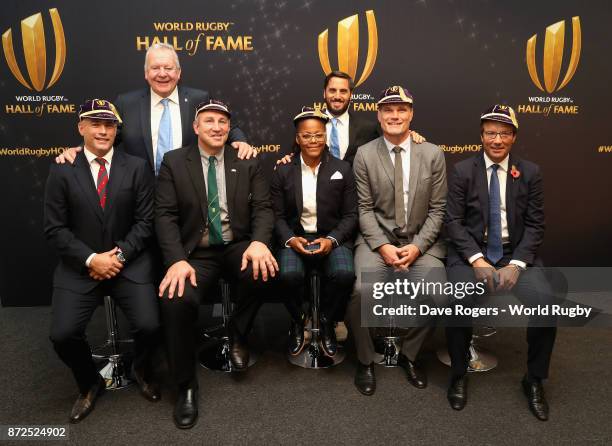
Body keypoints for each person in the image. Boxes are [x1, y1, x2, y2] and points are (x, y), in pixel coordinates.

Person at [155, 99, 277, 429]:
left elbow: (264, 209)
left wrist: (258, 243)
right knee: (175, 300)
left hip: (237, 244)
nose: (217, 127)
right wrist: (177, 260)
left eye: (223, 121)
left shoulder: (246, 160)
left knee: (264, 272)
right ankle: (186, 387)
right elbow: (164, 216)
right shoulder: (174, 162)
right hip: (197, 253)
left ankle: (237, 333)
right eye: (209, 121)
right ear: (195, 127)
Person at [44, 99, 160, 423]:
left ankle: (140, 367)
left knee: (152, 325)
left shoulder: (136, 167)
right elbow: (54, 229)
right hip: (80, 267)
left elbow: (145, 224)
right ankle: (89, 382)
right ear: (81, 128)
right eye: (95, 124)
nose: (103, 130)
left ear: (116, 130)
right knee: (63, 335)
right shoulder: (62, 168)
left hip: (128, 262)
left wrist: (117, 257)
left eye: (109, 125)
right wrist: (92, 259)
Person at [444, 105, 555, 421]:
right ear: (481, 136)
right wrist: (477, 260)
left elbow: (536, 225)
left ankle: (534, 379)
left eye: (504, 133)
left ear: (514, 137)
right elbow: (453, 222)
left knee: (547, 305)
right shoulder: (463, 170)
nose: (497, 139)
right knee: (458, 300)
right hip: (471, 252)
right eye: (490, 133)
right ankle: (458, 373)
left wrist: (517, 263)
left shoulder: (530, 172)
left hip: (513, 253)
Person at [347, 86, 447, 396]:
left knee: (440, 294)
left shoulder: (433, 153)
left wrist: (417, 247)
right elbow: (363, 210)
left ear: (411, 114)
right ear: (379, 115)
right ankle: (365, 361)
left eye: (401, 109)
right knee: (362, 291)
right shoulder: (365, 154)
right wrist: (384, 247)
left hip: (421, 242)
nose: (395, 115)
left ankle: (410, 355)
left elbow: (438, 209)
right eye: (388, 110)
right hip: (377, 241)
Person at [55, 43, 256, 169]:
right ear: (145, 73)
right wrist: (79, 151)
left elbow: (226, 126)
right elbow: (106, 135)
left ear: (178, 73)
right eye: (155, 68)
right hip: (141, 196)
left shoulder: (198, 98)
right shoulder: (126, 103)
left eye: (168, 68)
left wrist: (241, 141)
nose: (162, 73)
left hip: (190, 194)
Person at [271, 107, 358, 357]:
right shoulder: (283, 170)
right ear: (298, 139)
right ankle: (299, 320)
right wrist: (289, 239)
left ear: (325, 136)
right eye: (307, 136)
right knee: (287, 276)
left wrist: (331, 240)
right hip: (295, 237)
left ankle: (328, 321)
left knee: (344, 274)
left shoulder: (343, 169)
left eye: (318, 135)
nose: (313, 140)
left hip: (332, 237)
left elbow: (351, 215)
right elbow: (275, 215)